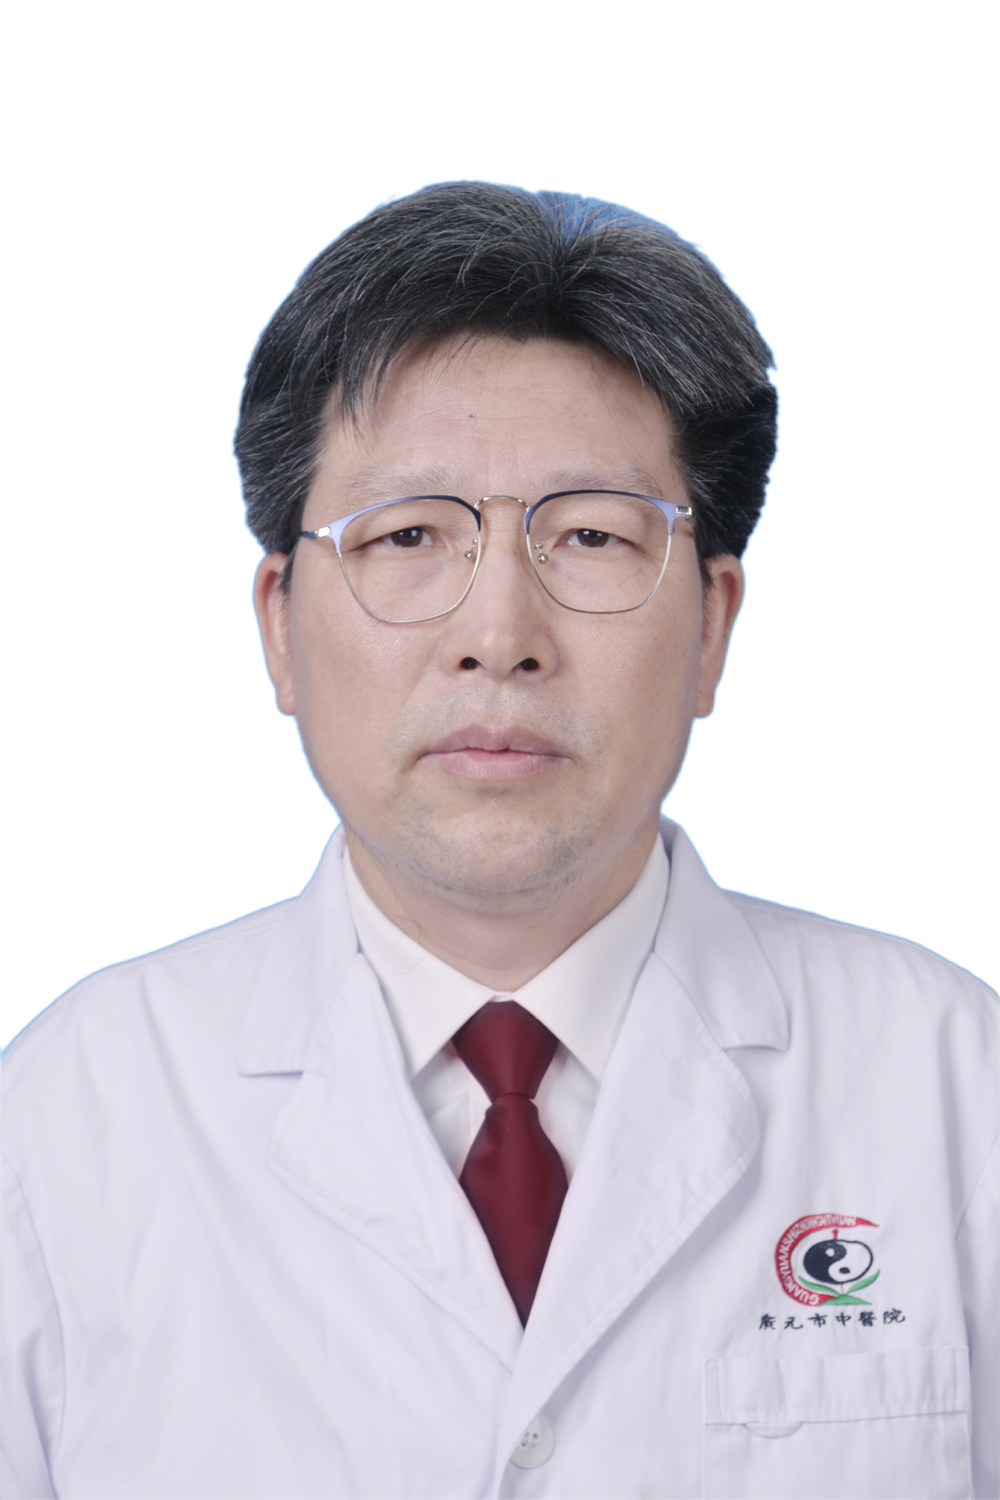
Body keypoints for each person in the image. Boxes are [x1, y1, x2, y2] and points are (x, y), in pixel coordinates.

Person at [2, 182, 996, 1500]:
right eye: (410, 535)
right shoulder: (66, 1114)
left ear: (713, 625)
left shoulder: (960, 1083)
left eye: (590, 535)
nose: (498, 635)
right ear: (279, 626)